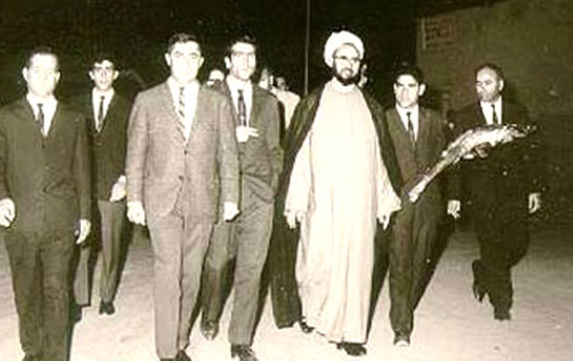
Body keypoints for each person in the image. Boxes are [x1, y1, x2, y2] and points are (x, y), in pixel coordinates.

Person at [271, 30, 402, 357]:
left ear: (360, 65)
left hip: (360, 204)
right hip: (322, 202)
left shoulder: (371, 107)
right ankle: (313, 313)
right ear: (331, 60)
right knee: (316, 262)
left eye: (354, 59)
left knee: (358, 268)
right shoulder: (313, 103)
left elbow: (380, 158)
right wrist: (296, 200)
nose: (348, 63)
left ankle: (351, 333)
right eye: (343, 57)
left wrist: (385, 200)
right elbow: (300, 155)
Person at [125, 33, 240, 361]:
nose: (186, 62)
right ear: (167, 59)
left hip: (202, 198)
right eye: (179, 55)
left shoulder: (217, 102)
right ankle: (166, 352)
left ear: (201, 61)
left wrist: (231, 197)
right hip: (162, 200)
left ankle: (179, 341)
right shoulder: (147, 100)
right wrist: (134, 198)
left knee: (191, 275)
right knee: (168, 271)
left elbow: (227, 153)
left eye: (193, 56)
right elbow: (135, 153)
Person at [0, 47, 91, 361]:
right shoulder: (5, 116)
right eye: (37, 70)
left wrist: (85, 215)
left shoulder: (74, 119)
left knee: (57, 290)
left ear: (58, 77)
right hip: (21, 221)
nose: (44, 77)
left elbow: (82, 171)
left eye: (50, 72)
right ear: (25, 74)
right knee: (26, 290)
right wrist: (1, 197)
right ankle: (32, 350)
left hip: (61, 220)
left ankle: (56, 356)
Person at [198, 36, 282, 361]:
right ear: (227, 61)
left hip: (259, 194)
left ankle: (240, 339)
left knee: (252, 266)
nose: (246, 61)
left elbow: (275, 149)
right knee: (217, 261)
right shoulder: (209, 96)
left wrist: (272, 186)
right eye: (239, 54)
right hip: (222, 190)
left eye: (251, 55)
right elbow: (200, 142)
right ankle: (210, 313)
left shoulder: (269, 102)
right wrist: (232, 135)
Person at [447, 63, 541, 321]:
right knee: (491, 243)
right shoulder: (465, 116)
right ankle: (502, 304)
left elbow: (529, 154)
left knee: (519, 243)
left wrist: (533, 189)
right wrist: (454, 195)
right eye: (478, 83)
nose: (481, 88)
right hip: (482, 192)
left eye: (487, 82)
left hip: (514, 191)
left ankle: (483, 269)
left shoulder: (517, 112)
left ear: (500, 84)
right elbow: (455, 159)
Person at [385, 64, 447, 347]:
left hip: (429, 203)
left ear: (421, 90)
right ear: (394, 88)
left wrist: (453, 197)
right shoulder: (384, 119)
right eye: (399, 86)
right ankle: (402, 326)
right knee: (400, 262)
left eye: (410, 86)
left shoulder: (434, 120)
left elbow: (445, 159)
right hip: (397, 202)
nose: (404, 92)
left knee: (420, 262)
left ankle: (406, 306)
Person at [71, 55, 132, 320]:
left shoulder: (128, 107)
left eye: (109, 69)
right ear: (91, 74)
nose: (104, 74)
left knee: (111, 245)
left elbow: (136, 147)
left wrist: (126, 179)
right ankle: (78, 299)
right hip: (81, 188)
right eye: (98, 69)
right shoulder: (75, 105)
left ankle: (106, 296)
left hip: (114, 187)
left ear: (116, 74)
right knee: (80, 243)